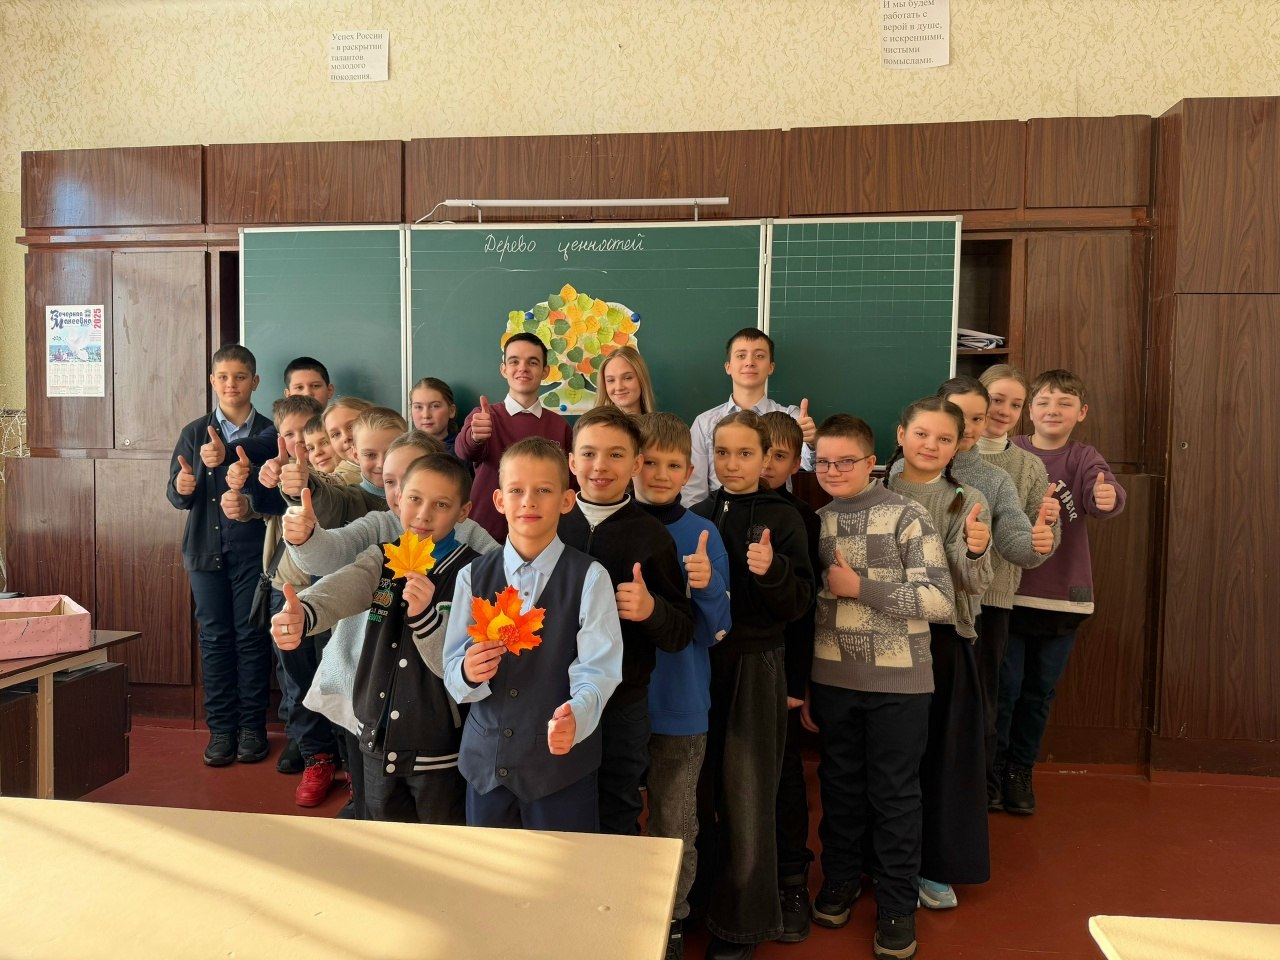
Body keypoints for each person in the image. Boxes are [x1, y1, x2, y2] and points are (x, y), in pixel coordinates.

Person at [284, 431, 497, 819]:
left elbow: (460, 665)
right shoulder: (381, 556)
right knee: (379, 834)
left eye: (440, 504)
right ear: (398, 500)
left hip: (439, 745)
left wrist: (426, 616)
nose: (423, 514)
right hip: (376, 736)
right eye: (414, 498)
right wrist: (305, 612)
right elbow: (347, 585)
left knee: (440, 839)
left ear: (463, 512)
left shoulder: (475, 571)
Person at [804, 414, 954, 960]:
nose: (833, 471)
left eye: (845, 461)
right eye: (823, 462)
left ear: (871, 462)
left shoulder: (908, 515)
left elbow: (941, 601)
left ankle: (896, 905)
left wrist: (860, 587)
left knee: (894, 795)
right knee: (839, 789)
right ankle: (841, 879)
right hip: (833, 679)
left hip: (900, 684)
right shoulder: (816, 521)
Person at [442, 437, 624, 832]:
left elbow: (599, 669)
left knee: (563, 866)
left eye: (543, 490)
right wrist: (468, 672)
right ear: (499, 500)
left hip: (559, 768)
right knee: (489, 865)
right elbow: (452, 668)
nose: (529, 501)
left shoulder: (590, 577)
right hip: (486, 766)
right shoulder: (472, 577)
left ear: (566, 500)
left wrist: (577, 716)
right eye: (517, 491)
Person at [691, 410, 814, 959]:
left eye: (745, 454)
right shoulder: (698, 513)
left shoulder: (784, 518)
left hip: (755, 663)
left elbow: (800, 604)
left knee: (747, 794)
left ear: (766, 459)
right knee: (700, 790)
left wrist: (773, 571)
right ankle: (701, 899)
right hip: (702, 664)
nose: (732, 464)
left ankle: (740, 924)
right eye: (723, 453)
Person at [559, 406, 695, 835]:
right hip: (554, 700)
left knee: (618, 808)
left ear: (636, 464)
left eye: (616, 455)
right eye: (589, 453)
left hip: (622, 705)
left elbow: (681, 630)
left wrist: (652, 609)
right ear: (571, 461)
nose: (600, 466)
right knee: (557, 807)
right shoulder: (549, 524)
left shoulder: (652, 536)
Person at [884, 397, 994, 911]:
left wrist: (974, 549)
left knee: (941, 760)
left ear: (958, 446)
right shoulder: (874, 487)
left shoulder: (966, 499)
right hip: (879, 638)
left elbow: (969, 583)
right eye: (922, 434)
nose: (931, 445)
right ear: (901, 434)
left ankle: (934, 865)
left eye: (944, 438)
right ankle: (882, 861)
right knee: (887, 761)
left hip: (943, 641)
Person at [999, 369, 1126, 815]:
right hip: (1009, 594)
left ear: (1082, 412)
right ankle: (993, 770)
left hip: (1062, 600)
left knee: (1038, 693)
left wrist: (1108, 498)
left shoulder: (1084, 457)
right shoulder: (1011, 451)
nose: (1053, 410)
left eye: (1065, 403)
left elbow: (1103, 492)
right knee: (1004, 690)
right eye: (1044, 402)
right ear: (1028, 411)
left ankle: (1020, 771)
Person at [632, 412, 732, 960]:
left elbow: (717, 631)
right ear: (632, 464)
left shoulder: (702, 534)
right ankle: (622, 910)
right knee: (615, 814)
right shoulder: (611, 526)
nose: (660, 474)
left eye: (673, 465)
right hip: (615, 704)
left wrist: (708, 586)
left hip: (681, 703)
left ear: (690, 472)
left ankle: (671, 918)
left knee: (675, 821)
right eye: (649, 462)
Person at [167, 343, 275, 766]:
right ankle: (221, 730)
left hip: (253, 554)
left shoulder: (270, 432)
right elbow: (176, 492)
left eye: (240, 377)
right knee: (214, 640)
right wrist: (182, 488)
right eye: (224, 377)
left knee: (251, 638)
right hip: (204, 553)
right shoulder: (194, 432)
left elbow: (277, 495)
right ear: (213, 381)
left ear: (255, 382)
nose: (232, 384)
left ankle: (252, 728)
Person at [221, 394, 336, 794]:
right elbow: (266, 505)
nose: (298, 442)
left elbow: (329, 495)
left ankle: (344, 754)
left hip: (332, 593)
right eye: (288, 435)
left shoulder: (336, 470)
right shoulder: (277, 472)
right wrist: (244, 491)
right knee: (295, 679)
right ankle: (313, 751)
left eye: (307, 433)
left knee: (334, 675)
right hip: (284, 590)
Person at [974, 365, 1060, 808]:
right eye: (996, 399)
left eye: (1015, 403)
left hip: (995, 599)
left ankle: (984, 786)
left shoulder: (1029, 466)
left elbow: (1038, 536)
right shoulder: (948, 452)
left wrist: (1045, 537)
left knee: (991, 697)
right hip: (942, 599)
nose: (1004, 410)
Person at [759, 411, 820, 942]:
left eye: (780, 455)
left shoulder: (803, 518)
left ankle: (791, 881)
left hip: (782, 668)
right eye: (761, 453)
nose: (767, 465)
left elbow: (806, 612)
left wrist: (797, 684)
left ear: (796, 462)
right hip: (733, 671)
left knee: (783, 776)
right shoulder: (717, 511)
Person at [455, 333, 575, 540]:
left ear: (545, 371)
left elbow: (570, 482)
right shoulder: (484, 416)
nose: (523, 368)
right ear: (504, 369)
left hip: (541, 535)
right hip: (485, 536)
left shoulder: (560, 426)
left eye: (532, 362)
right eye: (514, 361)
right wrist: (474, 436)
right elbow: (464, 450)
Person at [684, 328, 816, 506]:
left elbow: (807, 465)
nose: (750, 362)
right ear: (728, 366)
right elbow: (693, 491)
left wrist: (811, 442)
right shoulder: (704, 423)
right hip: (718, 516)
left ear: (771, 367)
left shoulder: (790, 416)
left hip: (776, 512)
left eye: (759, 356)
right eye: (741, 356)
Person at [409, 376, 467, 464]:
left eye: (435, 406)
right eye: (418, 407)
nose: (426, 415)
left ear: (451, 411)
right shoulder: (403, 449)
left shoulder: (462, 452)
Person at [591, 345, 657, 415]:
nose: (619, 387)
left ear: (641, 379)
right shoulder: (591, 422)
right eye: (611, 380)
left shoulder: (659, 421)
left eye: (627, 378)